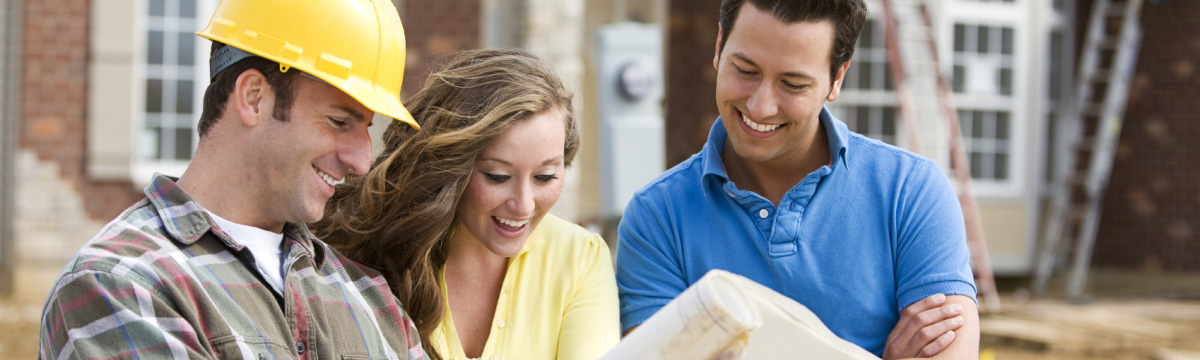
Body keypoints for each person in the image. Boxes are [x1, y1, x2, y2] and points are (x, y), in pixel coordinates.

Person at [38, 1, 428, 359]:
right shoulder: (119, 283)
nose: (362, 162)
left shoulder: (373, 301)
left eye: (366, 129)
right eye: (339, 122)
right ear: (254, 97)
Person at [615, 0, 980, 359]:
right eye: (745, 70)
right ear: (719, 47)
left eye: (792, 84)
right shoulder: (656, 217)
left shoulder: (912, 192)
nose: (760, 106)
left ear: (836, 80)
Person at [314, 48, 619, 360]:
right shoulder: (366, 254)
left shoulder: (581, 257)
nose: (524, 205)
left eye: (545, 176)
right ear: (448, 168)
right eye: (498, 176)